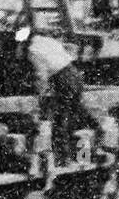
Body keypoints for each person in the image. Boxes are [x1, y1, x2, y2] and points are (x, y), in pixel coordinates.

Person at [19, 27, 98, 163]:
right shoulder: (47, 40)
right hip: (75, 75)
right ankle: (85, 149)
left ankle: (63, 158)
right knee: (73, 115)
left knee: (61, 119)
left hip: (63, 79)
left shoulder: (33, 50)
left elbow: (41, 74)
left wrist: (40, 93)